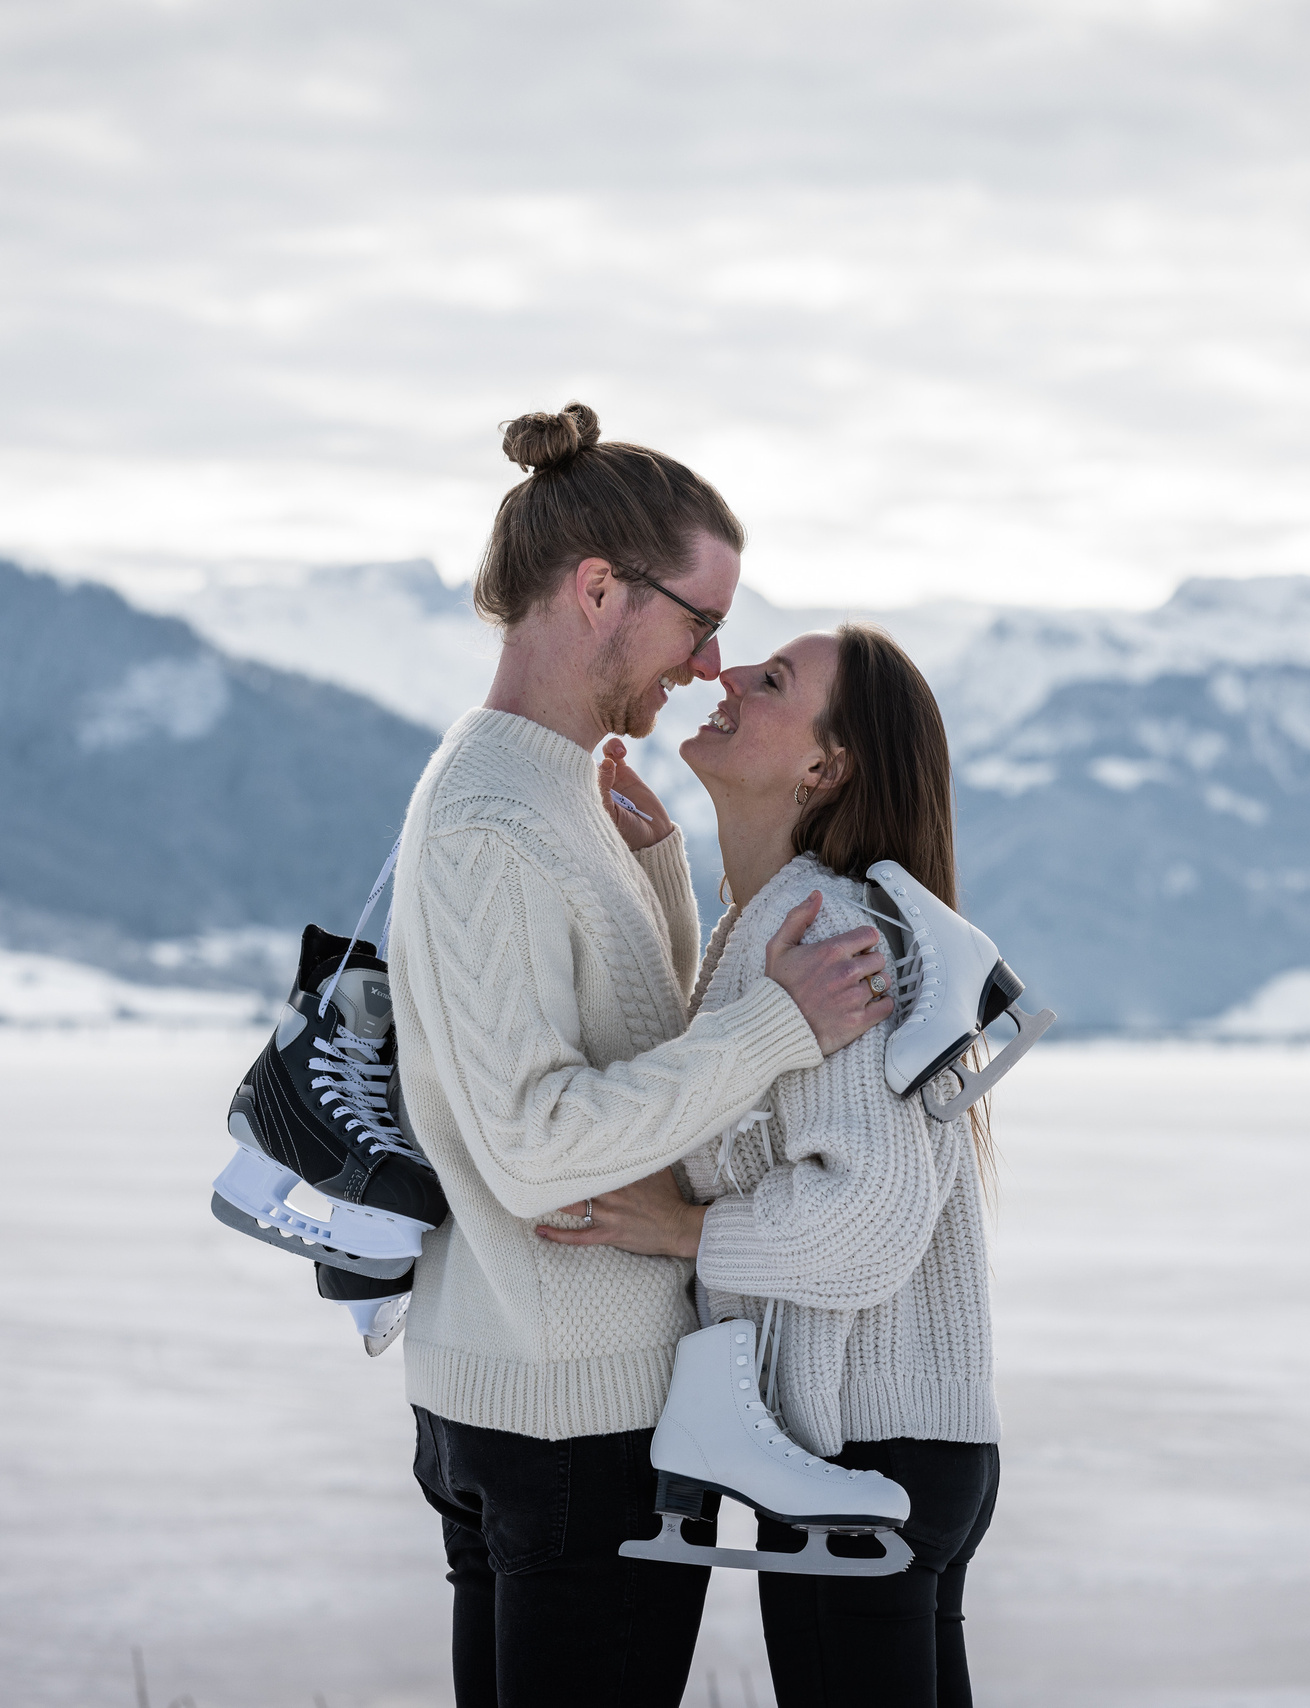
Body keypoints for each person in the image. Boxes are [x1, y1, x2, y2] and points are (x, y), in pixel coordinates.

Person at [386, 403, 898, 1708]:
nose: (713, 661)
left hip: (545, 1390)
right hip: (565, 1417)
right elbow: (539, 1144)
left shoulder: (558, 789)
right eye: (698, 617)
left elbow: (621, 1046)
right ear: (598, 589)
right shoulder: (495, 817)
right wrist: (781, 1027)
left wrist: (663, 880)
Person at [541, 624, 1001, 1708]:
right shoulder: (773, 927)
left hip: (863, 1451)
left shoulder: (830, 929)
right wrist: (659, 872)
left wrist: (680, 1230)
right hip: (895, 1446)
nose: (725, 673)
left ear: (823, 766)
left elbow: (871, 1214)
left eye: (774, 679)